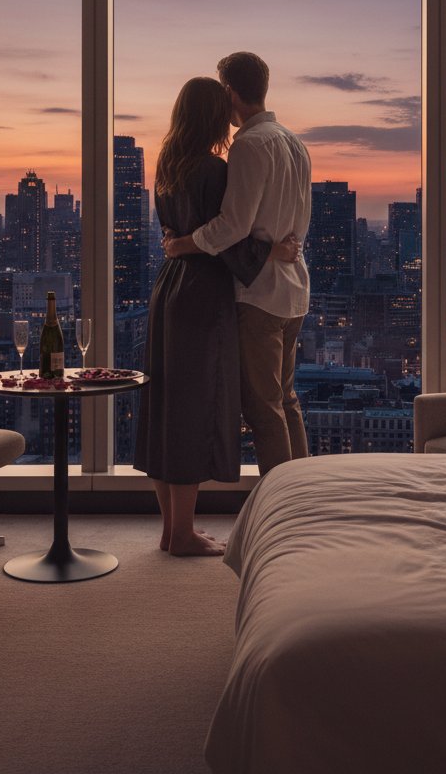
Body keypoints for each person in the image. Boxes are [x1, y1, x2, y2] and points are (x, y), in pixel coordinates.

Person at [135, 76, 297, 557]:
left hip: (169, 288)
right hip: (203, 296)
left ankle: (171, 530)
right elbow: (229, 237)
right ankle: (183, 534)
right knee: (194, 411)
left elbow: (184, 233)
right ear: (211, 115)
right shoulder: (213, 170)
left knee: (167, 408)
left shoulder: (168, 165)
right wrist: (274, 253)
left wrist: (184, 243)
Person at [165, 52, 312, 475]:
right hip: (294, 289)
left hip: (261, 294)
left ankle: (281, 507)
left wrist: (182, 245)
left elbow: (232, 226)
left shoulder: (249, 144)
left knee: (264, 409)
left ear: (230, 92)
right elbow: (296, 223)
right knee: (286, 400)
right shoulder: (293, 141)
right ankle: (304, 495)